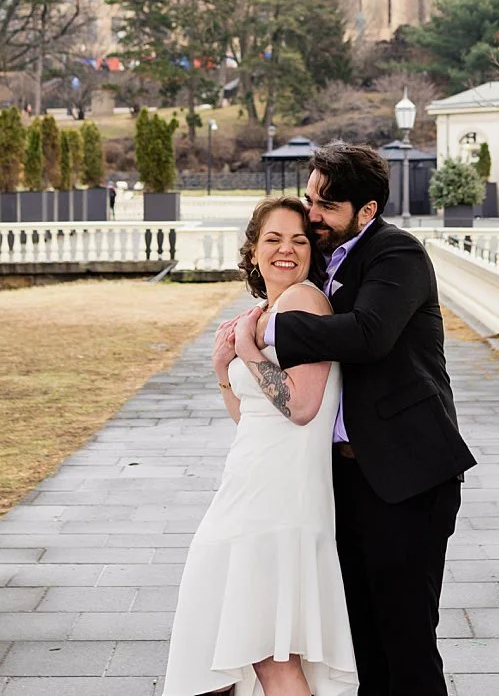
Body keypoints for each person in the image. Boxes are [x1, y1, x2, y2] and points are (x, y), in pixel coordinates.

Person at [237, 142, 476, 696]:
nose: (312, 216)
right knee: (361, 640)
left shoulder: (398, 255)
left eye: (327, 206)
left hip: (408, 475)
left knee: (407, 639)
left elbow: (370, 335)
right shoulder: (326, 255)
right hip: (342, 478)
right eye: (310, 199)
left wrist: (266, 335)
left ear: (367, 211)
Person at [163, 196, 358, 696]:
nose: (286, 250)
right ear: (253, 251)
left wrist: (246, 351)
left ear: (313, 252)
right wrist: (222, 374)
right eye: (273, 239)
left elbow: (301, 406)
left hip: (281, 499)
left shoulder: (304, 302)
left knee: (270, 655)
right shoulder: (265, 310)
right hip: (249, 485)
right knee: (252, 649)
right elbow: (252, 416)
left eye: (298, 240)